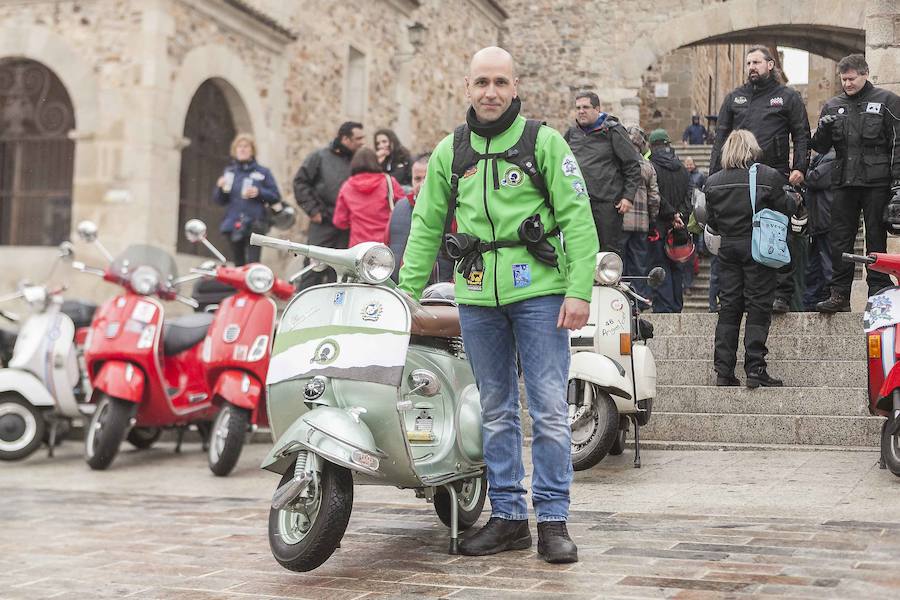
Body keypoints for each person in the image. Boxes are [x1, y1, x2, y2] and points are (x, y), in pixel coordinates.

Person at [399, 46, 598, 564]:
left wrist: (579, 289)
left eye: (501, 83)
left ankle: (553, 520)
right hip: (476, 293)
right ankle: (509, 518)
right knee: (495, 408)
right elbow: (425, 226)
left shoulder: (544, 142)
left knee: (551, 410)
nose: (491, 92)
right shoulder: (451, 151)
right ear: (467, 87)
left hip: (539, 292)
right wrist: (403, 292)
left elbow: (577, 217)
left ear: (516, 88)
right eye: (482, 82)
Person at [709, 45, 811, 313]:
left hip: (775, 173)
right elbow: (720, 139)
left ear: (770, 65)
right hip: (739, 176)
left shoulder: (787, 97)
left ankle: (781, 294)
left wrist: (800, 167)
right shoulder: (734, 98)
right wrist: (712, 177)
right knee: (738, 237)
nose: (751, 67)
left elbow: (801, 134)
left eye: (756, 62)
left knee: (780, 232)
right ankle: (734, 296)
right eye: (748, 63)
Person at [705, 130, 798, 388]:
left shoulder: (712, 182)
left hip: (728, 250)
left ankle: (723, 371)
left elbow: (711, 221)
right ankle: (755, 368)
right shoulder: (768, 175)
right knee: (759, 307)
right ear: (752, 149)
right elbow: (785, 207)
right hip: (759, 248)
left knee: (730, 309)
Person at [812, 54, 900, 312]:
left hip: (877, 182)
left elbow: (897, 144)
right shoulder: (832, 105)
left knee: (875, 238)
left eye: (852, 78)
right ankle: (839, 294)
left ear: (864, 74)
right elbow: (820, 147)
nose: (847, 83)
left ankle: (878, 293)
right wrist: (824, 129)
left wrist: (897, 184)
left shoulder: (887, 102)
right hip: (844, 182)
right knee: (840, 239)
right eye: (844, 79)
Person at [564, 91, 642, 255]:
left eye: (586, 107)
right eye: (578, 107)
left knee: (606, 253)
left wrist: (628, 197)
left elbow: (632, 165)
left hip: (606, 205)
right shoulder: (572, 134)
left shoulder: (613, 131)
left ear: (597, 109)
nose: (581, 111)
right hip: (578, 203)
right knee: (578, 250)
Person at [292, 121, 365, 287]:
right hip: (323, 222)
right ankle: (306, 307)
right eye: (358, 138)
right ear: (345, 139)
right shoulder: (319, 157)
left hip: (346, 226)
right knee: (313, 268)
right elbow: (300, 183)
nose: (362, 142)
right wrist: (313, 211)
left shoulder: (358, 160)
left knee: (340, 271)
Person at [213, 133, 282, 266]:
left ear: (252, 150)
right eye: (239, 146)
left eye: (246, 146)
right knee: (238, 264)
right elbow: (219, 200)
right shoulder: (230, 172)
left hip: (255, 224)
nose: (242, 149)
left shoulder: (263, 172)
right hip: (233, 224)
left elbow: (276, 196)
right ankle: (239, 287)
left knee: (253, 264)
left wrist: (259, 192)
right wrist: (220, 188)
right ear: (235, 150)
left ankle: (251, 286)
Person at [385, 153, 454, 283]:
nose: (422, 184)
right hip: (403, 288)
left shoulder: (453, 209)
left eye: (426, 178)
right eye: (417, 179)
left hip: (440, 293)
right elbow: (388, 244)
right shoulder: (400, 206)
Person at [648, 129, 692, 313]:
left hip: (659, 225)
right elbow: (689, 196)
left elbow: (655, 196)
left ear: (652, 146)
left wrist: (671, 214)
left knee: (660, 266)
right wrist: (680, 216)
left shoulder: (652, 166)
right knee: (677, 267)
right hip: (679, 227)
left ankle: (664, 308)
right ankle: (676, 305)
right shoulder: (682, 168)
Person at [332, 148, 404, 248]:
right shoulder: (389, 182)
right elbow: (404, 208)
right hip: (386, 244)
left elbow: (339, 221)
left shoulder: (347, 186)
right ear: (375, 162)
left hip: (358, 247)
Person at [623, 126, 660, 309]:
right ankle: (639, 302)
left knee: (620, 263)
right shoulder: (647, 166)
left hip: (620, 221)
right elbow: (654, 198)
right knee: (639, 264)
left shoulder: (619, 163)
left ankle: (622, 300)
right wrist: (652, 219)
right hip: (641, 224)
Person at [803, 150, 835, 310]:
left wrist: (804, 167)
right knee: (814, 265)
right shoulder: (823, 157)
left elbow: (814, 178)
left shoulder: (832, 156)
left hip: (826, 219)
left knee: (826, 262)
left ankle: (826, 296)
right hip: (819, 220)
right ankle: (811, 301)